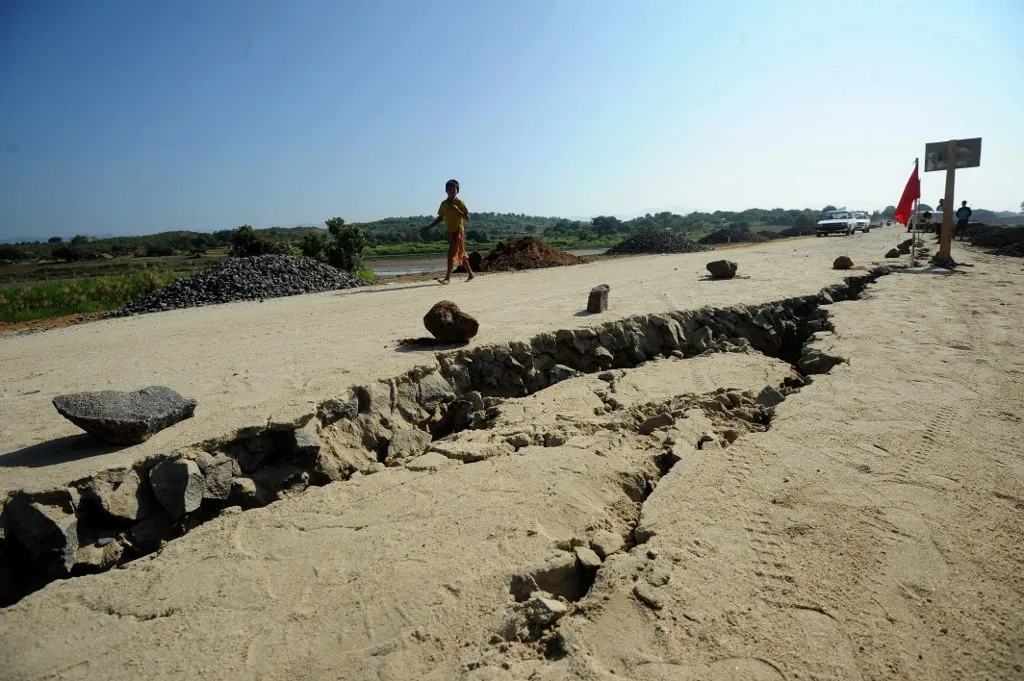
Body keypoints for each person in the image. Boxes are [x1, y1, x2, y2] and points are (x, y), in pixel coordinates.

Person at [423, 179, 474, 285]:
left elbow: (467, 217)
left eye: (454, 189)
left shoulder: (460, 203)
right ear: (446, 191)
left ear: (457, 191)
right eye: (449, 189)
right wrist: (430, 227)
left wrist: (457, 210)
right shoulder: (444, 204)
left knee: (451, 254)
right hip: (450, 232)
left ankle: (447, 278)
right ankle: (471, 274)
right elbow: (440, 218)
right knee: (461, 254)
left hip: (459, 231)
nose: (452, 191)